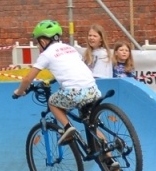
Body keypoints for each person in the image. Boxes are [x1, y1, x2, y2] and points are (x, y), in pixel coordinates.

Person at [12, 19, 99, 149]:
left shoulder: (46, 54)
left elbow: (27, 79)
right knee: (90, 124)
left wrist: (19, 92)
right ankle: (110, 161)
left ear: (43, 41)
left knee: (52, 102)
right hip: (93, 89)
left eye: (38, 43)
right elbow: (70, 68)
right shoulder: (70, 48)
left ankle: (68, 127)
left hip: (74, 92)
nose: (38, 46)